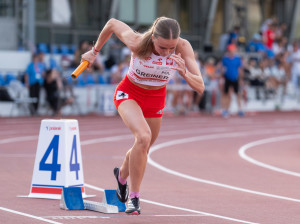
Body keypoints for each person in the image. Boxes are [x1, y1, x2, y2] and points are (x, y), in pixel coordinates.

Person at [81, 17, 204, 215]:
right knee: (143, 137)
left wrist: (185, 74)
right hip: (129, 93)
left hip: (156, 98)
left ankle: (121, 175)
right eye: (162, 47)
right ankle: (135, 198)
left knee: (144, 145)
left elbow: (200, 85)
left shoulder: (183, 47)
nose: (166, 52)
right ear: (153, 38)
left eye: (170, 48)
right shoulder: (137, 42)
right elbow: (112, 23)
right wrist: (94, 52)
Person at [221, 44, 244, 117]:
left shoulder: (237, 59)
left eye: (232, 50)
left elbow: (240, 70)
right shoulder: (225, 59)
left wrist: (240, 79)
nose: (231, 51)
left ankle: (240, 110)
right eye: (230, 50)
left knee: (238, 94)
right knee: (227, 94)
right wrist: (221, 77)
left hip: (235, 78)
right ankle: (225, 110)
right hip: (227, 78)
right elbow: (222, 68)